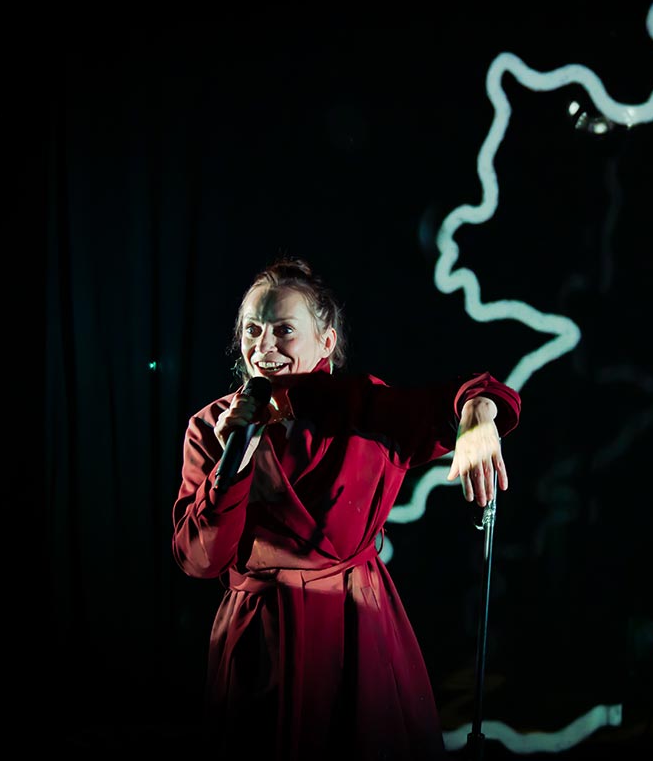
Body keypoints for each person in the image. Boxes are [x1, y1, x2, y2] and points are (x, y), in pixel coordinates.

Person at [172, 256, 521, 761]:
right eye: (251, 330)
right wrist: (234, 459)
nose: (263, 347)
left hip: (355, 634)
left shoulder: (364, 407)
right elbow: (199, 559)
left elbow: (474, 392)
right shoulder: (210, 427)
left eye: (283, 330)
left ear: (327, 341)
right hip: (260, 643)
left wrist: (479, 414)